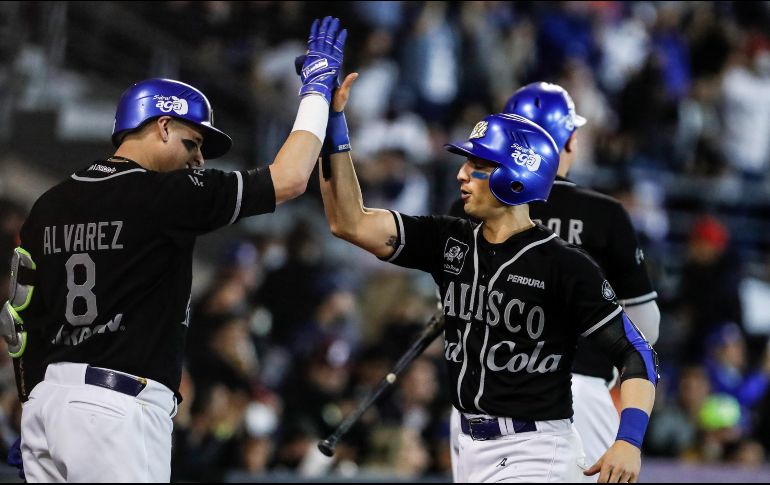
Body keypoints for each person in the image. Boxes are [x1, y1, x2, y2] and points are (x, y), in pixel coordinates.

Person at [0, 16, 353, 483]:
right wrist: (315, 93)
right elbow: (289, 178)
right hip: (116, 408)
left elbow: (19, 322)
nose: (199, 158)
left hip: (48, 406)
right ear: (162, 126)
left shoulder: (49, 204)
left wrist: (31, 409)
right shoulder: (164, 194)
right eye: (193, 141)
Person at [317, 75, 658, 482]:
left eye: (478, 165)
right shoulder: (448, 239)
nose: (462, 174)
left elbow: (637, 351)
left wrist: (629, 439)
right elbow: (348, 221)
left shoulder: (565, 265)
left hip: (535, 449)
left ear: (518, 174)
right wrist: (331, 121)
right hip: (468, 439)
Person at [448, 82, 661, 480]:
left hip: (480, 402)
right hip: (580, 390)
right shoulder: (604, 213)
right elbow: (645, 328)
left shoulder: (468, 205)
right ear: (571, 139)